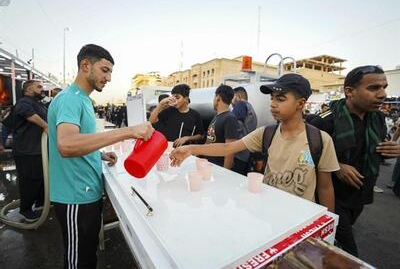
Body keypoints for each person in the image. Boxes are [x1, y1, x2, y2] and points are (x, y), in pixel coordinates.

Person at [48, 44, 154, 268]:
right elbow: (66, 144)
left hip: (86, 192)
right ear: (85, 65)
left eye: (111, 72)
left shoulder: (84, 100)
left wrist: (99, 155)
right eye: (104, 70)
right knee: (78, 261)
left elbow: (80, 139)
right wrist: (128, 131)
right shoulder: (71, 99)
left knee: (87, 255)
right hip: (75, 195)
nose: (109, 78)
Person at [170, 74, 339, 212]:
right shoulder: (266, 133)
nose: (272, 104)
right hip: (268, 211)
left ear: (301, 103)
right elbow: (228, 147)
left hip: (301, 218)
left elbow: (325, 188)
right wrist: (191, 148)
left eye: (280, 99)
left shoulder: (320, 140)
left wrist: (329, 225)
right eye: (272, 98)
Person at [309, 65, 400, 257]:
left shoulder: (378, 119)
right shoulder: (324, 120)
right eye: (374, 88)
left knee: (329, 247)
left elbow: (372, 151)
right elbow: (303, 156)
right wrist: (336, 167)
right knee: (349, 254)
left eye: (384, 87)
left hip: (359, 196)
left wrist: (389, 151)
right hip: (329, 198)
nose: (383, 94)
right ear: (349, 91)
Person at [13, 79, 48, 221]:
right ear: (29, 89)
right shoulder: (24, 102)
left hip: (38, 149)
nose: (42, 89)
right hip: (26, 150)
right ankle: (25, 209)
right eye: (39, 87)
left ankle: (40, 202)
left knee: (40, 177)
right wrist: (46, 126)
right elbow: (28, 114)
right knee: (29, 180)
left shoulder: (38, 103)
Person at [202, 85, 239, 169]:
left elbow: (230, 150)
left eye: (214, 97)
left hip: (218, 168)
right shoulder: (217, 116)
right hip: (209, 165)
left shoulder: (230, 118)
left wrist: (225, 172)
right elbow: (209, 141)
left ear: (218, 97)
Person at [231, 86, 258, 175]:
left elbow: (234, 125)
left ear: (238, 97)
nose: (232, 101)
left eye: (233, 97)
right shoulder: (250, 108)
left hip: (237, 153)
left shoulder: (240, 105)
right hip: (245, 153)